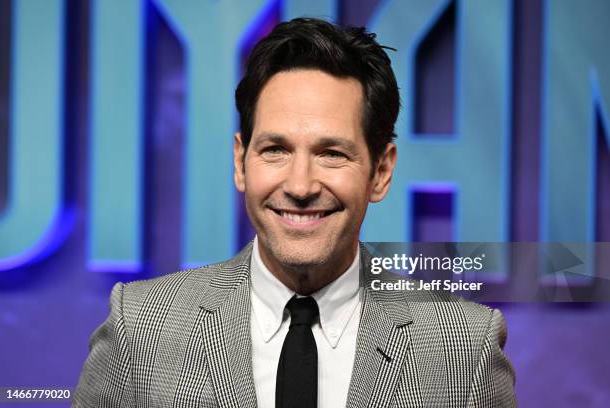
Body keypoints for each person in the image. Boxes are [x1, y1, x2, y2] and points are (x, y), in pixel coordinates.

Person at [74, 18, 516, 407]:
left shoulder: (464, 350)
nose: (300, 186)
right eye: (275, 150)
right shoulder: (140, 327)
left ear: (380, 172)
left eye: (331, 154)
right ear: (240, 161)